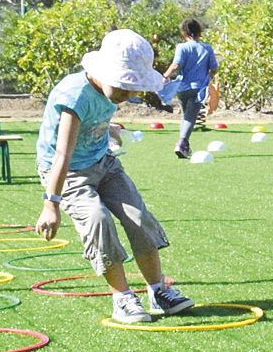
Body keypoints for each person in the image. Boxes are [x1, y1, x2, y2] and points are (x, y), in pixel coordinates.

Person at [34, 29, 197, 325]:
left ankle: (158, 291)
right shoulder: (75, 96)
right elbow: (62, 155)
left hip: (103, 162)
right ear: (103, 72)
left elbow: (96, 117)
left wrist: (107, 130)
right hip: (67, 173)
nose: (129, 94)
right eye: (124, 87)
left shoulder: (109, 91)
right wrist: (51, 204)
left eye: (133, 88)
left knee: (138, 217)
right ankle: (122, 298)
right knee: (97, 220)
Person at [161, 18, 218, 160]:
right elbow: (214, 68)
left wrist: (165, 77)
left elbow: (176, 65)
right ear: (199, 32)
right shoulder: (207, 48)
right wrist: (208, 77)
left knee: (185, 116)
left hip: (182, 87)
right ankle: (182, 143)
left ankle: (184, 145)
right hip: (199, 88)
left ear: (184, 33)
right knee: (190, 117)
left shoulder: (182, 47)